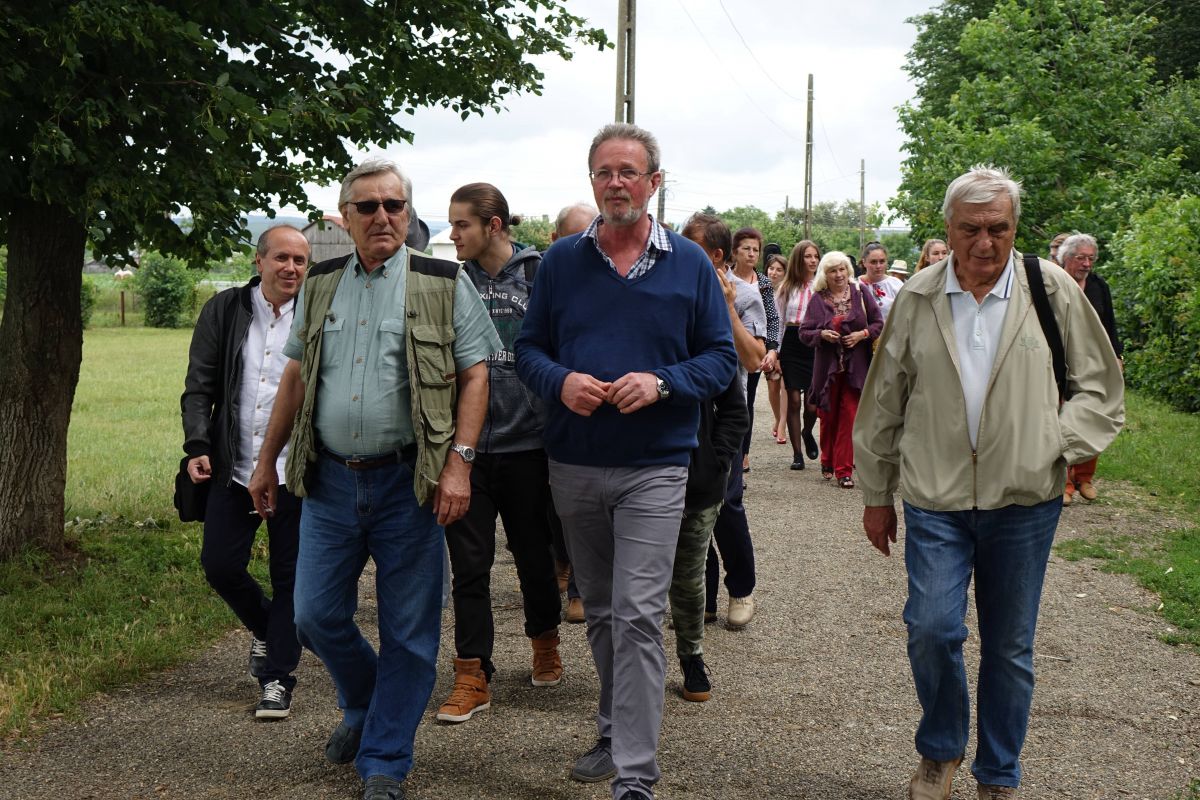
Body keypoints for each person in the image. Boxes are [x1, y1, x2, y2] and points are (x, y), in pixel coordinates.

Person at [854, 166, 1124, 800]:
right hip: (935, 498)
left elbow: (1100, 387)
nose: (984, 242)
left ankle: (998, 773)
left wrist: (1056, 442)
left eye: (998, 228)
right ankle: (941, 749)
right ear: (948, 229)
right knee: (931, 629)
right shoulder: (919, 296)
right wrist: (876, 494)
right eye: (970, 229)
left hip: (1024, 499)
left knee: (1009, 646)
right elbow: (883, 401)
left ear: (1014, 227)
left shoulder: (1050, 288)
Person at [247, 158, 502, 800]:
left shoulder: (443, 281)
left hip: (410, 483)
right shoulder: (321, 283)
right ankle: (365, 704)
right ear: (346, 218)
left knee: (410, 635)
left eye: (394, 205)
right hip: (330, 481)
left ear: (408, 214)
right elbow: (296, 375)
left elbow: (476, 373)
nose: (383, 216)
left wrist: (459, 464)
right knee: (313, 615)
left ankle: (385, 760)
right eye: (368, 207)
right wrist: (266, 460)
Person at [515, 123, 736, 800]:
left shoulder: (689, 264)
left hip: (655, 466)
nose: (616, 183)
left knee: (638, 614)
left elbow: (721, 359)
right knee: (605, 613)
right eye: (604, 172)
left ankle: (635, 775)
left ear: (653, 183)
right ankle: (614, 729)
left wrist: (662, 383)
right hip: (575, 463)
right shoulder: (561, 262)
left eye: (629, 172)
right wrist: (560, 382)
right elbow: (528, 350)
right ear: (592, 181)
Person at [435, 182, 562, 725]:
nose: (452, 234)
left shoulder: (540, 275)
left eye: (461, 224)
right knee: (469, 566)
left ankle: (545, 640)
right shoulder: (452, 282)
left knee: (534, 557)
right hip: (469, 451)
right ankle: (472, 673)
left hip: (530, 446)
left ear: (493, 225)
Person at [181, 224, 309, 720]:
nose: (291, 268)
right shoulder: (225, 310)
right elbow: (199, 385)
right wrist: (197, 444)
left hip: (294, 470)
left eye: (300, 261)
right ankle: (267, 629)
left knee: (289, 577)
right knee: (220, 565)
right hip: (233, 467)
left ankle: (277, 678)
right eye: (282, 258)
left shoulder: (316, 313)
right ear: (259, 261)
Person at [671, 214, 752, 702]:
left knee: (688, 574)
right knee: (637, 581)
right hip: (641, 470)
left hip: (699, 475)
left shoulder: (710, 320)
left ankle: (691, 655)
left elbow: (734, 406)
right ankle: (633, 671)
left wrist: (716, 460)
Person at [680, 213, 765, 632]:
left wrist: (727, 306)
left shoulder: (745, 295)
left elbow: (754, 358)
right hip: (685, 410)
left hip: (726, 414)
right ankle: (704, 596)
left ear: (716, 255)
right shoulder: (675, 287)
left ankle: (741, 589)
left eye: (692, 248)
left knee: (727, 505)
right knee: (689, 506)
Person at [547, 202, 600, 626]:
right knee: (555, 510)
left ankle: (580, 587)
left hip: (591, 424)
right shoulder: (547, 277)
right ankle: (561, 563)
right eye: (574, 237)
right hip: (546, 416)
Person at [799, 251, 882, 488]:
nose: (839, 274)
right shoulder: (818, 299)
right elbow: (804, 332)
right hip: (828, 369)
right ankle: (828, 459)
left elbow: (878, 323)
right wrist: (822, 334)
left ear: (849, 270)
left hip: (856, 368)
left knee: (850, 416)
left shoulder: (860, 292)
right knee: (828, 416)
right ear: (825, 274)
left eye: (842, 269)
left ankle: (844, 471)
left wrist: (862, 334)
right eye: (833, 270)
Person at [1057, 232, 1123, 506]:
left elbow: (1109, 322)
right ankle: (1063, 483)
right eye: (1081, 258)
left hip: (1093, 361)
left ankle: (1084, 478)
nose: (1086, 264)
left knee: (1092, 413)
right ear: (1066, 258)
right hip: (1059, 360)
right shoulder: (1054, 283)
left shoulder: (1098, 285)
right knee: (1059, 415)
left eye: (1091, 258)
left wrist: (1116, 355)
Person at [729, 226, 781, 472]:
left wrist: (772, 349)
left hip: (755, 348)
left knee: (747, 400)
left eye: (755, 250)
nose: (751, 254)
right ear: (734, 252)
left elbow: (772, 317)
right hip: (730, 348)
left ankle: (744, 453)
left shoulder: (763, 282)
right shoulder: (724, 278)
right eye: (746, 249)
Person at [775, 240, 822, 470]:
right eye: (807, 256)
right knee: (793, 400)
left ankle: (807, 432)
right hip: (792, 342)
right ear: (798, 259)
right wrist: (776, 352)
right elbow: (779, 322)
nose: (813, 260)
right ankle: (797, 454)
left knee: (812, 405)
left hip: (814, 343)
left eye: (815, 256)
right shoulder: (786, 287)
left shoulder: (822, 286)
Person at [764, 253, 789, 445]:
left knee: (785, 385)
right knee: (772, 384)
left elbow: (784, 322)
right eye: (771, 268)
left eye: (779, 270)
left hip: (786, 343)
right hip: (768, 344)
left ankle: (782, 424)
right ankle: (778, 418)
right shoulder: (762, 289)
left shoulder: (787, 292)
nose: (774, 272)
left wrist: (780, 350)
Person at [859, 241, 904, 321]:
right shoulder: (855, 285)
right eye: (873, 262)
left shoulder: (896, 285)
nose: (878, 266)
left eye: (882, 261)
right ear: (864, 262)